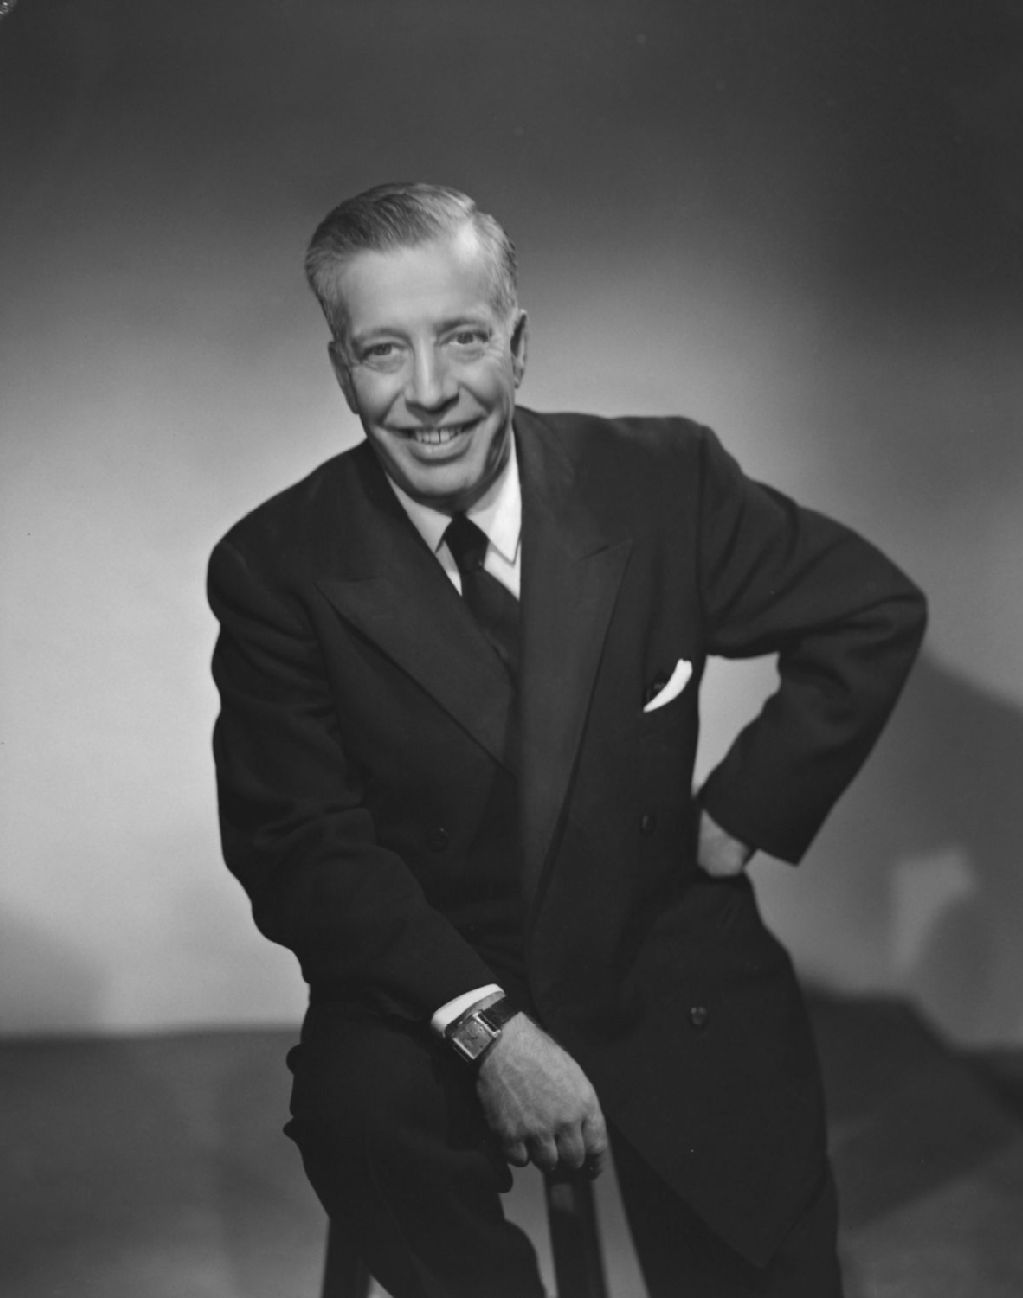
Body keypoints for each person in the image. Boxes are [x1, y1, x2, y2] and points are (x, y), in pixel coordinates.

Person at [207, 182, 927, 1297]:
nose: (429, 392)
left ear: (518, 344)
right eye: (384, 351)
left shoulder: (662, 482)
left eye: (462, 337)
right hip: (429, 961)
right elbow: (297, 842)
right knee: (362, 1120)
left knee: (762, 1240)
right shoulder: (275, 564)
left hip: (654, 931)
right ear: (342, 370)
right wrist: (485, 1027)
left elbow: (868, 611)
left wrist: (745, 808)